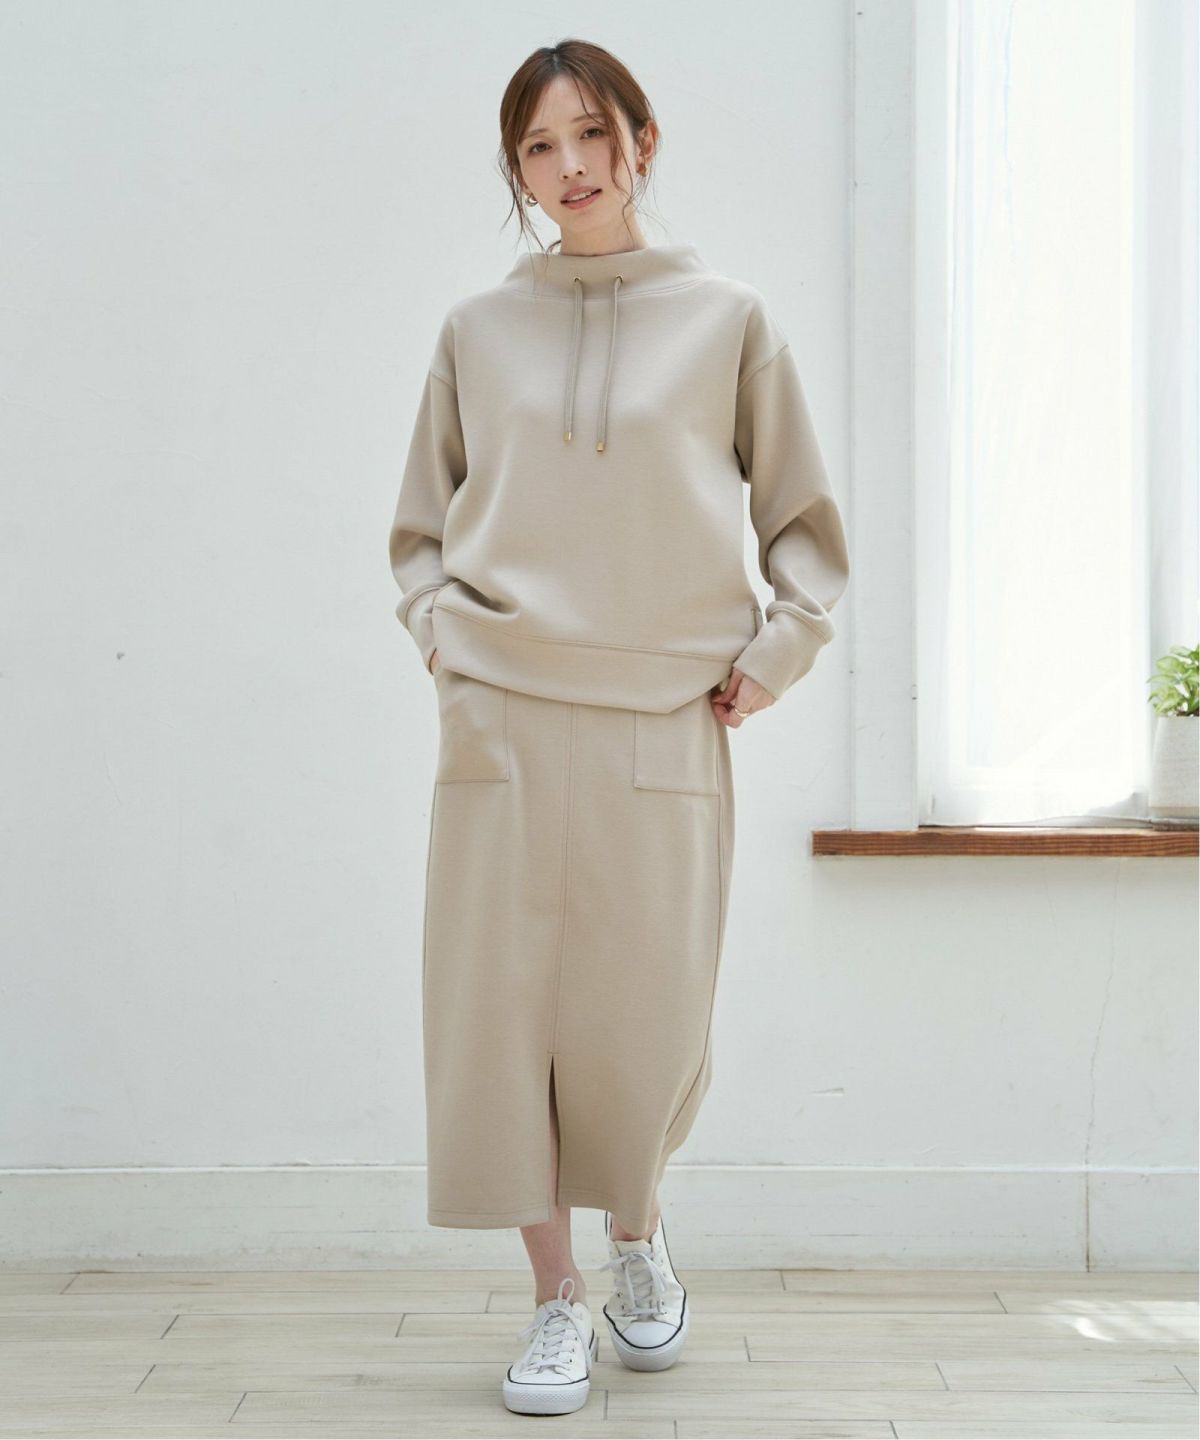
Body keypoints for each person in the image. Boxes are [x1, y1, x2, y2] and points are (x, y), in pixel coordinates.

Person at [388, 38, 850, 1417]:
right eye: (538, 147)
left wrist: (781, 647)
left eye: (592, 133)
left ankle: (638, 1237)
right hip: (505, 711)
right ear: (516, 169)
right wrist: (445, 643)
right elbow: (419, 530)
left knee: (644, 1014)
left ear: (645, 140)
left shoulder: (730, 321)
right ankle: (555, 1298)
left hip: (664, 709)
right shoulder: (477, 331)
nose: (571, 167)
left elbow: (801, 519)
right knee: (500, 1016)